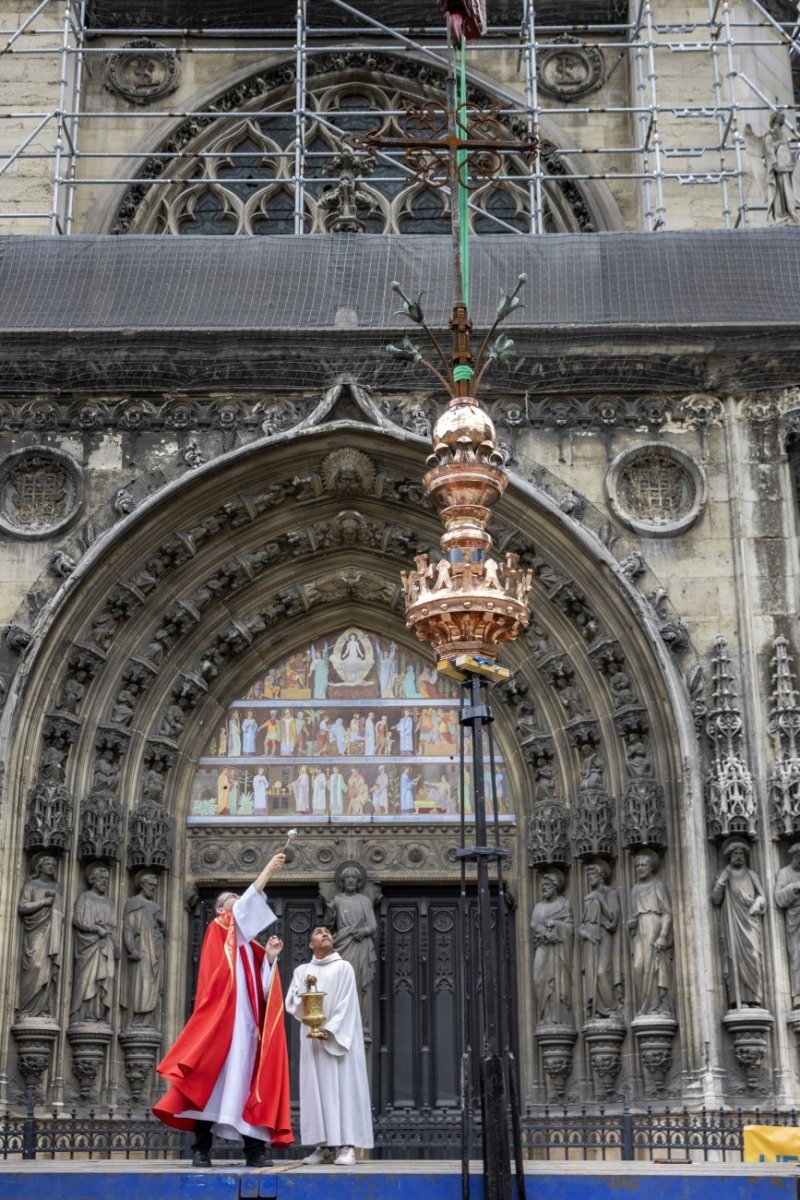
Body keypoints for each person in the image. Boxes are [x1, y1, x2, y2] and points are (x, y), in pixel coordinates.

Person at [153, 853, 292, 1167]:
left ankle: (254, 1151)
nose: (238, 900)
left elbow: (265, 992)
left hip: (246, 1028)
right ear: (220, 911)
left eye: (238, 898)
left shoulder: (250, 948)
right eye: (232, 899)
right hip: (221, 1027)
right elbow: (245, 908)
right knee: (210, 1085)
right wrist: (268, 869)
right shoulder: (219, 930)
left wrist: (269, 959)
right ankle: (201, 1150)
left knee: (246, 1085)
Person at [285, 926, 373, 1166]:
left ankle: (347, 1145)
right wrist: (308, 987)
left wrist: (331, 1029)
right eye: (318, 932)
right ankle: (322, 1145)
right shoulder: (302, 970)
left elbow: (347, 1003)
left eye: (328, 932)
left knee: (343, 1088)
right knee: (317, 1089)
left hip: (338, 1038)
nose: (325, 933)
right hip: (313, 1041)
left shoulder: (343, 967)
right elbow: (292, 1001)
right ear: (311, 944)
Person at [712, 838, 766, 1008]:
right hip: (732, 924)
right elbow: (715, 899)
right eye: (735, 854)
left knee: (753, 956)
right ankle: (737, 1000)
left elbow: (762, 896)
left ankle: (755, 998)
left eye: (741, 854)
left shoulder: (751, 875)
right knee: (733, 959)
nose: (738, 857)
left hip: (750, 922)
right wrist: (722, 881)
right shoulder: (725, 875)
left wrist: (758, 902)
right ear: (729, 856)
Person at [17, 853, 64, 1019]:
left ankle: (42, 1008)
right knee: (35, 965)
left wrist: (57, 913)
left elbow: (61, 912)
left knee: (48, 969)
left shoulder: (56, 887)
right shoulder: (31, 885)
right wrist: (42, 903)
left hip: (52, 932)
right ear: (40, 866)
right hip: (35, 931)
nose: (52, 867)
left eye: (54, 864)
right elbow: (22, 907)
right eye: (48, 864)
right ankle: (27, 1009)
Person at [531, 870, 574, 1027]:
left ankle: (557, 1018)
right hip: (543, 946)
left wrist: (555, 925)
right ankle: (545, 1015)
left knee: (557, 981)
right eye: (542, 885)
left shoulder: (563, 904)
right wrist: (547, 934)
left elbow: (570, 927)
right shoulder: (539, 907)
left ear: (556, 886)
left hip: (558, 951)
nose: (543, 888)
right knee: (538, 979)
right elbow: (535, 925)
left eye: (547, 885)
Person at [121, 871, 164, 1028]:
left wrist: (162, 923)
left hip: (157, 951)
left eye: (154, 886)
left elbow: (164, 930)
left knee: (154, 984)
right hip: (143, 951)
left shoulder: (155, 906)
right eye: (150, 885)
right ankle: (137, 1019)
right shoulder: (134, 903)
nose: (153, 888)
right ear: (142, 884)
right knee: (142, 984)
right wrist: (132, 948)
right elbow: (128, 928)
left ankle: (148, 1019)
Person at [775, 843, 800, 1009]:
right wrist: (794, 887)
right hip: (795, 920)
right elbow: (778, 898)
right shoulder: (784, 873)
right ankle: (798, 994)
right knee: (797, 955)